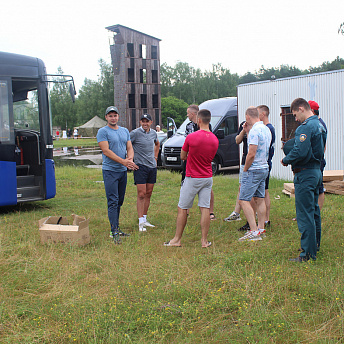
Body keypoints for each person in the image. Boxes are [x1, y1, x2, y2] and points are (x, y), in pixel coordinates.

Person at [164, 109, 219, 248]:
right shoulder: (214, 139)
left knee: (182, 208)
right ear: (209, 120)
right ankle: (204, 241)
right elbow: (210, 157)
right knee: (205, 208)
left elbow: (183, 156)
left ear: (199, 120)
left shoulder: (191, 137)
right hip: (207, 177)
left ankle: (176, 240)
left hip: (192, 177)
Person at [281, 98, 327, 262]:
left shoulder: (306, 127)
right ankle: (315, 246)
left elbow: (300, 152)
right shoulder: (320, 125)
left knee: (305, 214)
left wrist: (286, 160)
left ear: (301, 109)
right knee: (314, 212)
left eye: (294, 114)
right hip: (316, 171)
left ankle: (307, 254)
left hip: (305, 174)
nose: (295, 118)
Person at [97, 106, 138, 244]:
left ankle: (117, 227)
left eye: (115, 115)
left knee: (120, 201)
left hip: (122, 172)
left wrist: (130, 160)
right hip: (110, 171)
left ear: (118, 117)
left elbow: (129, 147)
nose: (113, 118)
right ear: (106, 117)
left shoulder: (124, 131)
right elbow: (106, 151)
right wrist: (124, 162)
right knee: (113, 201)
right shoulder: (102, 132)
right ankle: (113, 231)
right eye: (110, 116)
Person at [238, 107, 271, 241]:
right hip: (264, 167)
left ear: (248, 117)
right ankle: (261, 228)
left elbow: (251, 153)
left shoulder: (254, 131)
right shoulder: (266, 129)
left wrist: (245, 169)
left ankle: (253, 230)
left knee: (243, 200)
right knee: (259, 198)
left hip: (254, 169)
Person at [182, 104, 216, 220]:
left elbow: (185, 151)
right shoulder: (189, 126)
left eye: (188, 113)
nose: (187, 115)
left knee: (205, 194)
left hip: (199, 167)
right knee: (186, 186)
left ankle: (209, 212)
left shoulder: (205, 127)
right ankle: (186, 211)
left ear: (194, 115)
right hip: (196, 166)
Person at [130, 114, 160, 232]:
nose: (145, 123)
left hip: (151, 166)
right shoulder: (135, 133)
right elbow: (127, 145)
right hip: (140, 166)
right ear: (140, 122)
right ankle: (140, 221)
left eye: (147, 121)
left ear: (151, 122)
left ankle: (145, 218)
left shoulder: (153, 133)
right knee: (141, 194)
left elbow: (157, 144)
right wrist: (130, 159)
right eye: (143, 121)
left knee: (148, 193)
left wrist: (155, 157)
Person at [224, 120, 247, 224]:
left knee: (256, 192)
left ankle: (257, 215)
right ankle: (236, 213)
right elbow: (237, 141)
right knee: (241, 187)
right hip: (244, 162)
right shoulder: (243, 124)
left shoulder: (259, 126)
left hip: (255, 164)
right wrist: (243, 130)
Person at [257, 105, 275, 228]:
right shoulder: (269, 128)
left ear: (263, 114)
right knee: (265, 191)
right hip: (267, 162)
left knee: (263, 192)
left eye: (257, 113)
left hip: (265, 162)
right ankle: (265, 218)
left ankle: (266, 218)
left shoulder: (268, 128)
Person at [309, 100, 327, 210]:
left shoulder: (319, 125)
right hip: (315, 161)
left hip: (317, 161)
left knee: (319, 188)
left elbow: (323, 147)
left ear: (311, 111)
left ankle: (317, 212)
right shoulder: (316, 123)